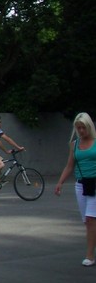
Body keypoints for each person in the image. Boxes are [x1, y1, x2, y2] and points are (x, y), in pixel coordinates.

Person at [54, 112, 96, 267]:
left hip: (95, 184)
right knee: (87, 222)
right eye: (78, 128)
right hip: (81, 185)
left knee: (91, 219)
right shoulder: (74, 144)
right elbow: (69, 166)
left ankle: (90, 255)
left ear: (89, 126)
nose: (81, 131)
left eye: (83, 127)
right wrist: (60, 182)